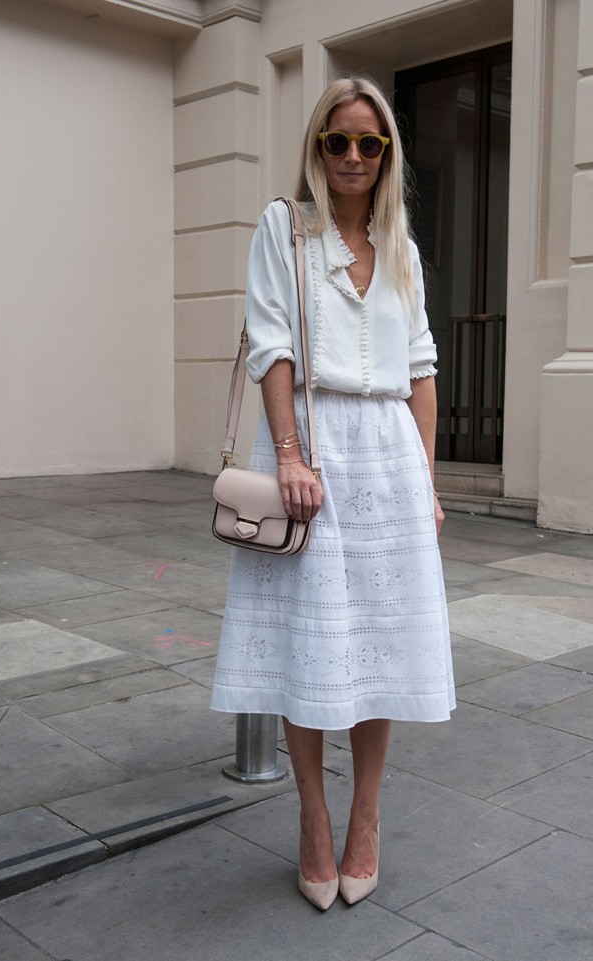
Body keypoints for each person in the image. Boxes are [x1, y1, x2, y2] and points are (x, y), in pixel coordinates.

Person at [210, 76, 455, 910]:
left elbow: (421, 369)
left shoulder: (402, 248)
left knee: (378, 644)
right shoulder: (284, 227)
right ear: (318, 147)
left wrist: (427, 481)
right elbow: (270, 344)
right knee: (307, 643)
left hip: (388, 452)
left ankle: (366, 818)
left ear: (387, 154)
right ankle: (313, 816)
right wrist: (289, 453)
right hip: (311, 445)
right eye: (338, 140)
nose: (354, 155)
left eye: (370, 143)